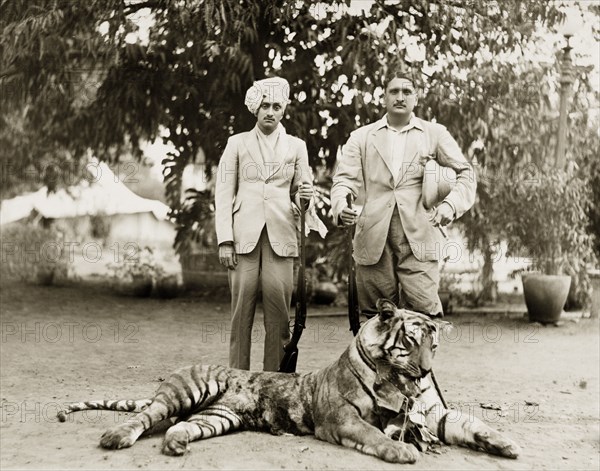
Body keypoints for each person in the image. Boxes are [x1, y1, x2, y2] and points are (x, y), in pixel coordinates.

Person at [330, 71, 477, 318]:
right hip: (373, 234)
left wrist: (450, 206)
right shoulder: (362, 136)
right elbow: (344, 179)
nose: (400, 97)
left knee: (423, 312)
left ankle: (419, 358)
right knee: (377, 316)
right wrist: (341, 205)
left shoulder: (434, 133)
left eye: (407, 92)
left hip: (420, 232)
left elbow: (466, 173)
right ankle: (378, 358)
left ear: (416, 99)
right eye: (394, 91)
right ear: (384, 98)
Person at [214, 76, 314, 371]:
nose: (270, 112)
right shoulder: (237, 143)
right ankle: (236, 380)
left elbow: (302, 198)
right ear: (255, 109)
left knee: (279, 316)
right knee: (240, 315)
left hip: (281, 237)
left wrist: (306, 197)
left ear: (284, 111)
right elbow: (223, 192)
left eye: (277, 106)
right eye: (265, 106)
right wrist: (225, 240)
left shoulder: (297, 147)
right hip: (242, 236)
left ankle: (275, 384)